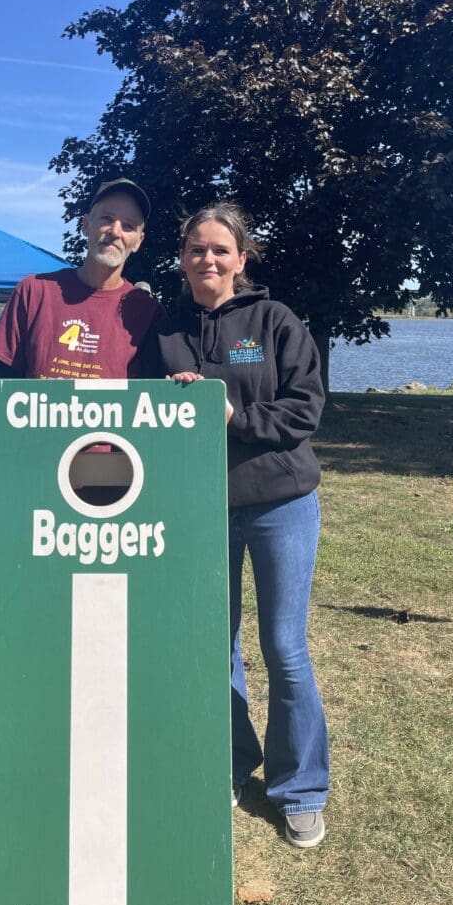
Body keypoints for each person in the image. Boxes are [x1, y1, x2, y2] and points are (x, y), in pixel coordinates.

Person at [0, 177, 164, 810]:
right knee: (16, 625)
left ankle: (97, 757)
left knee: (102, 625)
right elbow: (1, 392)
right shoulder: (35, 292)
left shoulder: (146, 312)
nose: (113, 230)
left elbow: (160, 403)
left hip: (110, 486)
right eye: (104, 217)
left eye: (126, 223)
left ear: (140, 239)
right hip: (29, 480)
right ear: (86, 224)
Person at [143, 202, 329, 849]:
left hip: (281, 503)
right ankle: (227, 762)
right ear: (182, 257)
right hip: (201, 508)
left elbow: (304, 409)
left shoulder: (274, 320)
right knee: (211, 649)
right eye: (196, 249)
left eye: (220, 249)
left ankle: (300, 788)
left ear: (241, 259)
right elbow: (141, 413)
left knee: (285, 648)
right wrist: (173, 402)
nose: (208, 260)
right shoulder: (165, 333)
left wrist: (229, 414)